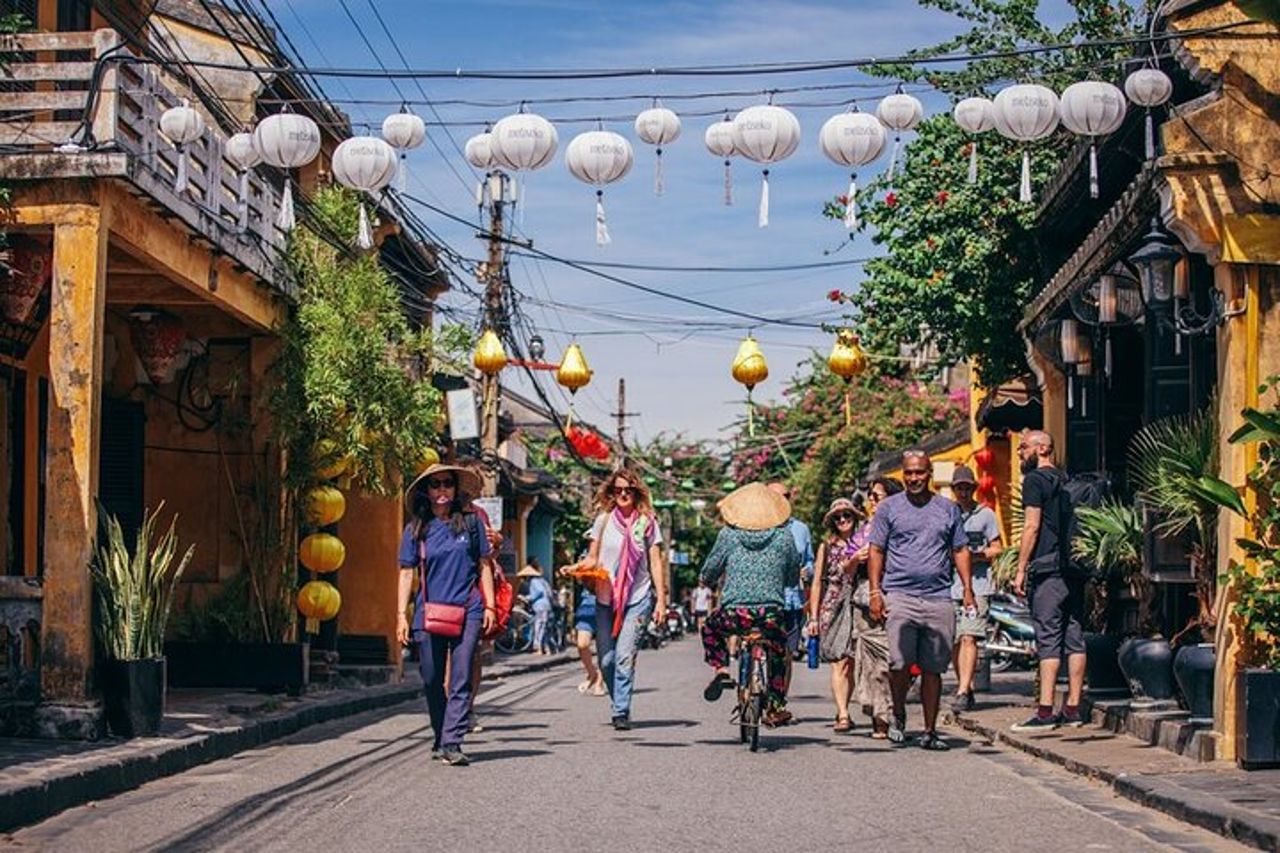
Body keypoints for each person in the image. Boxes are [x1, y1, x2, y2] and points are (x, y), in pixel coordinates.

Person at [868, 450, 975, 751]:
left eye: (920, 473)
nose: (914, 478)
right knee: (899, 663)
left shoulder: (947, 509)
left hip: (938, 597)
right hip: (900, 595)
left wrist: (967, 589)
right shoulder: (889, 508)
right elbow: (876, 550)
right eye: (909, 473)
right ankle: (898, 712)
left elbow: (960, 550)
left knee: (933, 668)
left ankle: (929, 731)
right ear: (903, 474)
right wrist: (876, 592)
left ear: (930, 474)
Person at [397, 463, 496, 767]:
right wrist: (401, 614)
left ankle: (452, 741)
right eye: (435, 485)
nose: (442, 490)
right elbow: (405, 572)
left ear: (455, 490)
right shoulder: (417, 529)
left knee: (462, 675)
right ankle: (441, 735)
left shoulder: (470, 523)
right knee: (429, 677)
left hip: (469, 608)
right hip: (429, 612)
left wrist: (489, 605)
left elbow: (483, 564)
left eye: (447, 484)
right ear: (427, 492)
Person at [700, 482, 802, 728]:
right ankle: (776, 707)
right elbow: (792, 573)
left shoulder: (728, 535)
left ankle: (722, 669)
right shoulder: (784, 536)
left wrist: (706, 579)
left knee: (711, 628)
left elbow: (711, 568)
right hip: (770, 613)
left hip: (736, 613)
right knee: (779, 653)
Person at [579, 466, 668, 731]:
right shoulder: (603, 521)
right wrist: (577, 568)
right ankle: (617, 697)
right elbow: (593, 557)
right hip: (606, 598)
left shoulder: (648, 522)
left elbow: (655, 562)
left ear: (636, 492)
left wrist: (661, 601)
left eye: (628, 490)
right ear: (611, 492)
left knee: (624, 656)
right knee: (606, 660)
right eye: (617, 490)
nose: (622, 494)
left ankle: (621, 711)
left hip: (638, 597)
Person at [1012, 430, 1087, 731]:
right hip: (1074, 569)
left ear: (1042, 448)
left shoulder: (1035, 481)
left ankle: (1045, 712)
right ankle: (1073, 709)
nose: (1019, 453)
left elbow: (1031, 527)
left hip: (1047, 569)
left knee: (1048, 637)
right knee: (1075, 637)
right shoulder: (1067, 480)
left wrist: (1020, 568)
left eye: (1023, 447)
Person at [807, 497, 867, 733]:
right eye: (838, 517)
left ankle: (843, 707)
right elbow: (817, 583)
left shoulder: (864, 542)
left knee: (851, 662)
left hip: (858, 602)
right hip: (833, 603)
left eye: (847, 516)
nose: (843, 520)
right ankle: (843, 713)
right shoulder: (827, 546)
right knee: (838, 661)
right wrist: (813, 617)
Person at [949, 466, 1003, 713]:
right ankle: (966, 685)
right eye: (958, 487)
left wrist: (978, 555)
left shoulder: (986, 515)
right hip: (949, 586)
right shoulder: (946, 515)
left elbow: (997, 548)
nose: (962, 492)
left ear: (973, 489)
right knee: (954, 640)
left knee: (970, 636)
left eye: (966, 487)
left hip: (978, 585)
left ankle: (961, 691)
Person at [851, 478, 901, 738]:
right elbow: (842, 569)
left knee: (897, 662)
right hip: (866, 602)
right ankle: (881, 719)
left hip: (898, 596)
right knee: (873, 666)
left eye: (876, 496)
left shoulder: (902, 525)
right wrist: (854, 559)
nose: (871, 500)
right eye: (870, 495)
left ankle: (896, 711)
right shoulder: (863, 530)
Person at [767, 482, 815, 672]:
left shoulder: (801, 529)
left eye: (786, 496)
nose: (782, 501)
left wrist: (808, 571)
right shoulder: (754, 527)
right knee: (764, 648)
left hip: (793, 600)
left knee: (786, 654)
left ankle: (779, 698)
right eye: (776, 496)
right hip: (765, 600)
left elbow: (809, 562)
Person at [572, 588, 605, 695]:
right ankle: (592, 673)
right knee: (582, 644)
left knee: (604, 647)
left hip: (608, 603)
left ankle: (599, 683)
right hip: (588, 604)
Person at [519, 559, 553, 655]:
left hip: (540, 606)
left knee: (539, 627)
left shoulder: (534, 581)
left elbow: (538, 592)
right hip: (546, 606)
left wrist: (527, 598)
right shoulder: (543, 581)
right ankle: (546, 649)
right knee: (544, 627)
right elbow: (549, 593)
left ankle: (539, 648)